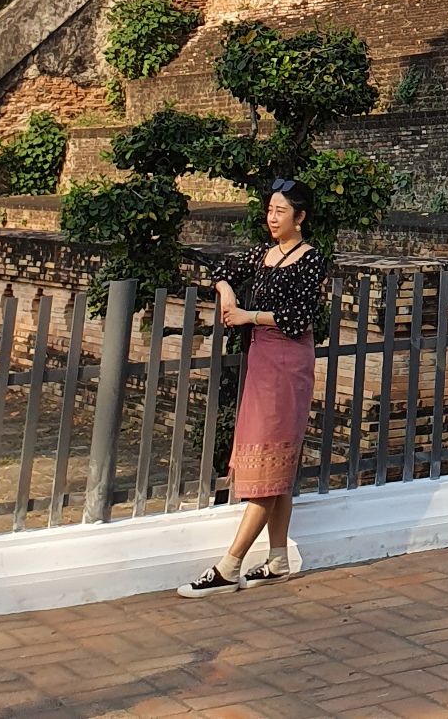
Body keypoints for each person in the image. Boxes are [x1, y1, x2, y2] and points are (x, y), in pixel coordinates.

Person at [178, 179, 328, 595]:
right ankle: (278, 558)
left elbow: (298, 318)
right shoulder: (264, 253)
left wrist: (248, 316)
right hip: (262, 359)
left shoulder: (311, 259)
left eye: (281, 211)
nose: (272, 218)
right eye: (270, 210)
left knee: (269, 459)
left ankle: (230, 564)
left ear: (300, 217)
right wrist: (226, 290)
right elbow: (223, 269)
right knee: (272, 459)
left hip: (287, 360)